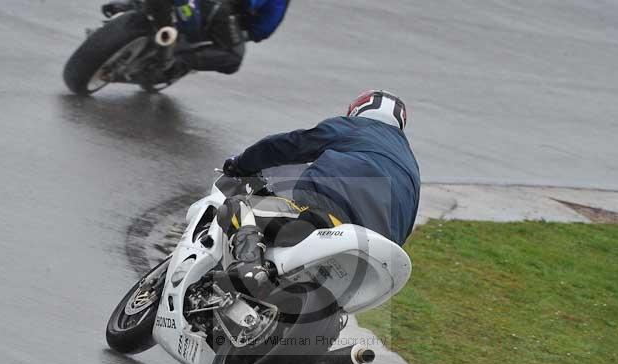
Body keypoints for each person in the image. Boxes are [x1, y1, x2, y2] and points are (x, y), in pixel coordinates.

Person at [218, 89, 420, 297]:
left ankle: (249, 268)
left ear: (357, 111)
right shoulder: (411, 166)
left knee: (239, 206)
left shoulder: (355, 127)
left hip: (328, 219)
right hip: (375, 260)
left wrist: (240, 164)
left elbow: (289, 145)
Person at [102, 0, 291, 77]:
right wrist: (247, 33)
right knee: (233, 57)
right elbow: (264, 27)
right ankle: (176, 63)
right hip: (216, 11)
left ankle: (128, 7)